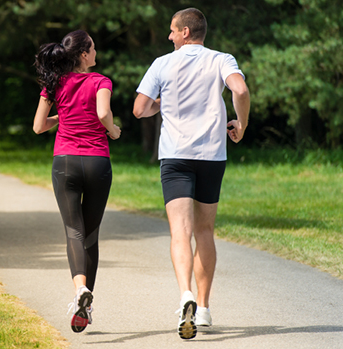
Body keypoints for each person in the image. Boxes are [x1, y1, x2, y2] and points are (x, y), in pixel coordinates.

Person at [132, 8, 250, 340]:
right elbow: (239, 91)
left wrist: (162, 105)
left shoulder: (162, 64)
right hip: (212, 156)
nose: (169, 36)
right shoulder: (221, 59)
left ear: (185, 32)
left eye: (172, 31)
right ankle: (205, 307)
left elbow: (140, 108)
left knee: (180, 233)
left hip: (175, 158)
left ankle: (185, 294)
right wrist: (242, 123)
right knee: (205, 231)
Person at [33, 30, 121, 333]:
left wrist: (63, 117)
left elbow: (37, 127)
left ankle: (80, 290)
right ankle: (86, 302)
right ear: (83, 54)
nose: (96, 53)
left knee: (73, 231)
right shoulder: (101, 81)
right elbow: (102, 112)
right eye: (93, 49)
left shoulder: (54, 84)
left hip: (65, 163)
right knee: (91, 234)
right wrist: (113, 130)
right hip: (97, 162)